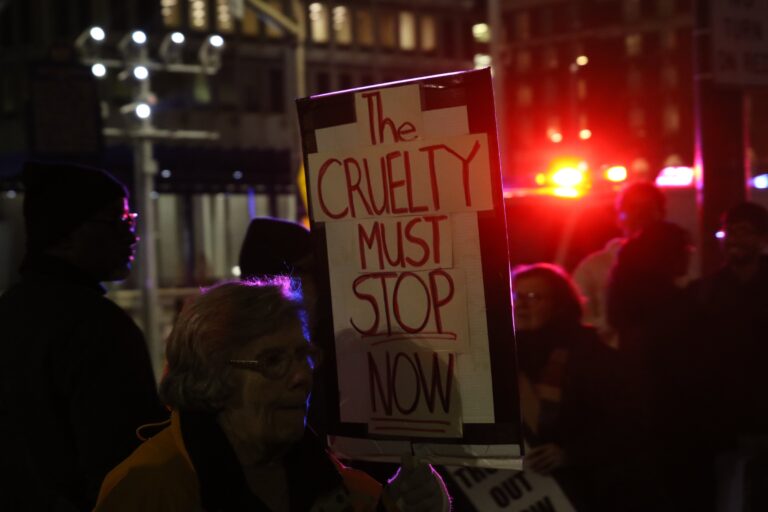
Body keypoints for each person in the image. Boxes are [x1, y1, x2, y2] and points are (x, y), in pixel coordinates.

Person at [94, 278, 450, 512]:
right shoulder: (147, 488)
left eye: (304, 355)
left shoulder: (326, 476)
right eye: (274, 360)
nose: (301, 377)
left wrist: (399, 505)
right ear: (212, 374)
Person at [0, 161, 167, 511]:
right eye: (118, 222)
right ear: (68, 232)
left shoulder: (11, 310)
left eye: (131, 221)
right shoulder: (97, 327)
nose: (132, 235)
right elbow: (125, 467)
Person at [607, 221, 715, 511]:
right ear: (667, 255)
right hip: (681, 429)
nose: (690, 254)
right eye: (685, 249)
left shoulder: (627, 305)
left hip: (641, 428)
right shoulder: (681, 308)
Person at [512, 264, 628, 511]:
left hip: (584, 490)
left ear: (559, 305)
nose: (520, 304)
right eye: (516, 295)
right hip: (525, 492)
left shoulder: (592, 355)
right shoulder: (504, 356)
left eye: (533, 297)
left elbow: (624, 425)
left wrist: (570, 453)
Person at [689, 202, 768, 440]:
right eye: (729, 232)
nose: (734, 239)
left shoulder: (707, 291)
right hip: (724, 416)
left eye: (744, 231)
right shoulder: (704, 291)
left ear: (762, 239)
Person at [572, 181, 665, 347]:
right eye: (632, 208)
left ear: (661, 214)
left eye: (647, 208)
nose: (639, 215)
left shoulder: (678, 265)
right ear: (618, 217)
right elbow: (580, 322)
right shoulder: (593, 268)